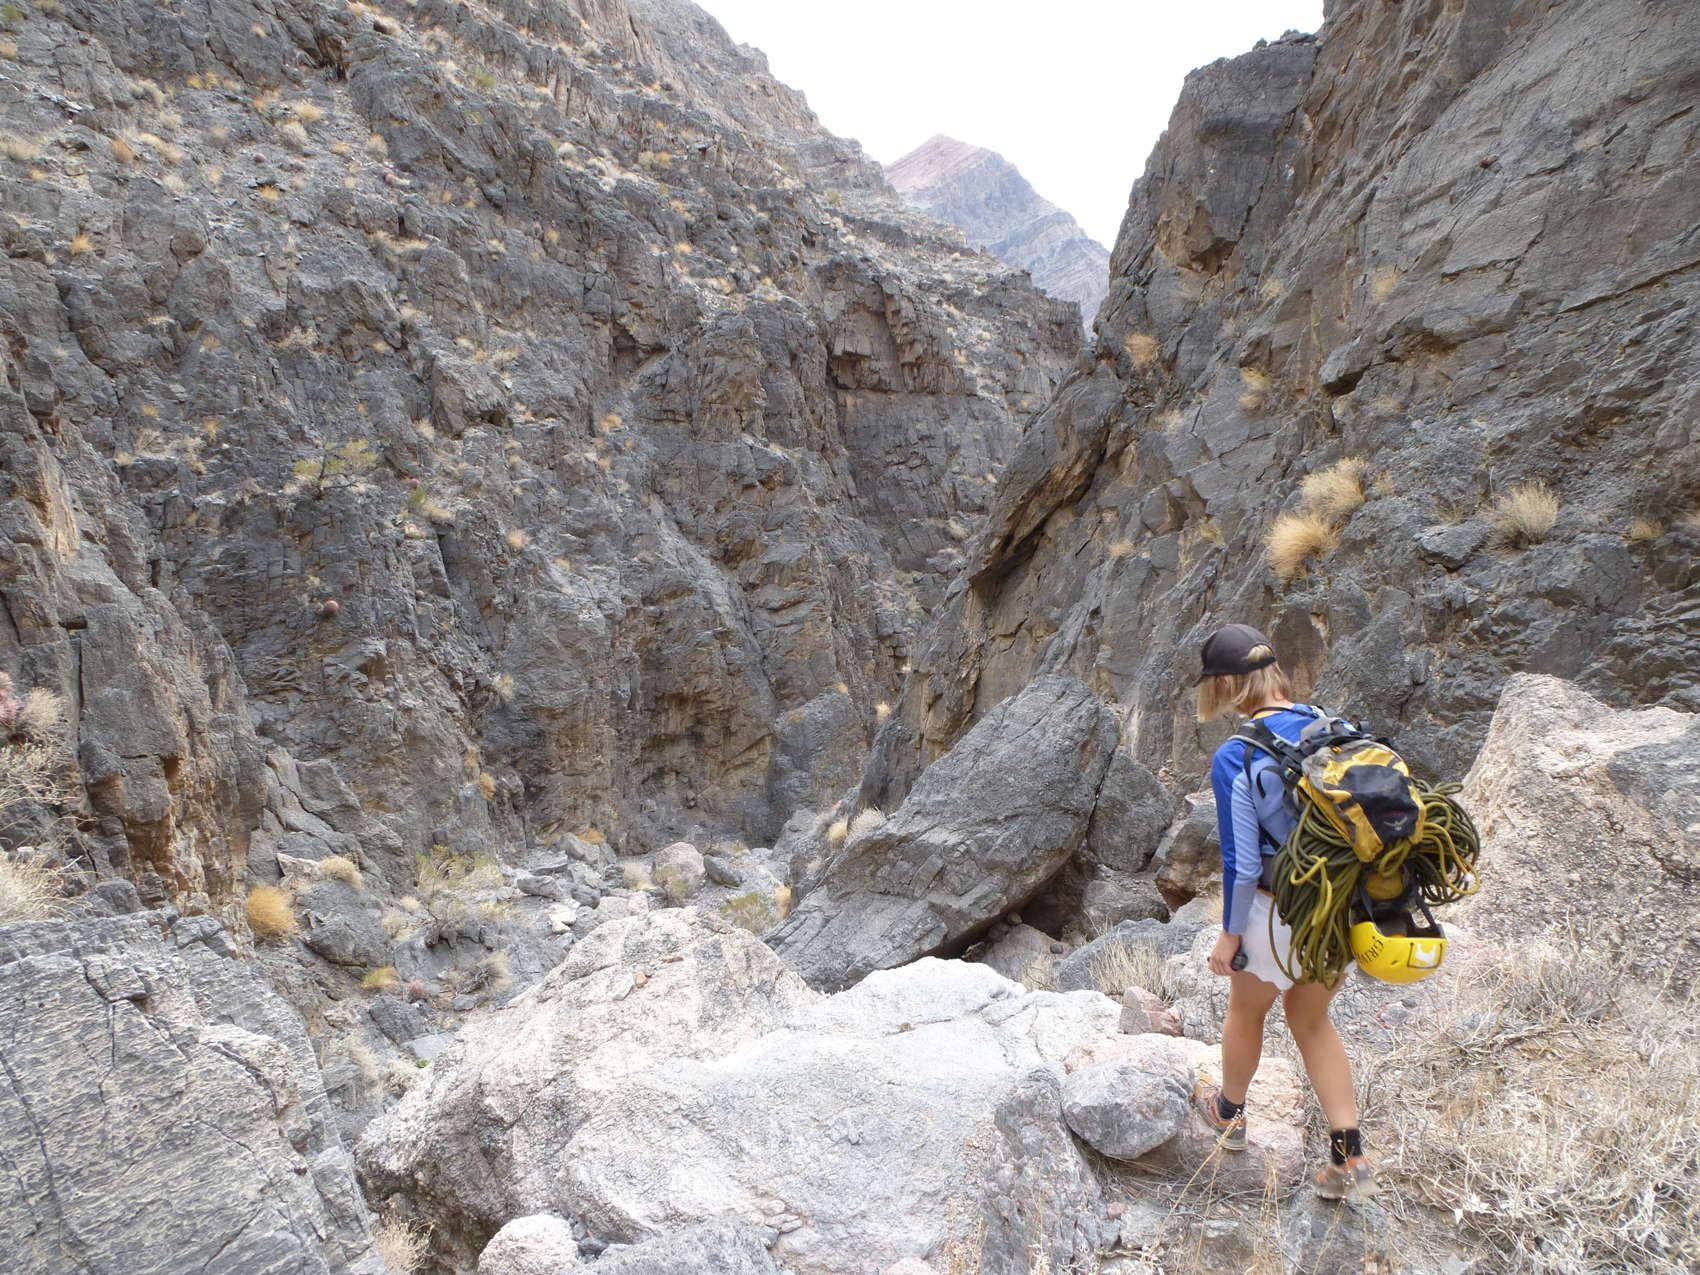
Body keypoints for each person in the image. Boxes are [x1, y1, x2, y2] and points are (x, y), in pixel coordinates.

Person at [1188, 622, 1376, 1200]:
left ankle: (1229, 1115)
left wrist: (1229, 934)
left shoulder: (1237, 754)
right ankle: (1349, 1159)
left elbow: (1243, 863)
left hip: (1279, 909)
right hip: (1342, 904)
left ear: (1225, 684)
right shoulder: (1330, 725)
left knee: (1247, 1011)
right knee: (1311, 1019)